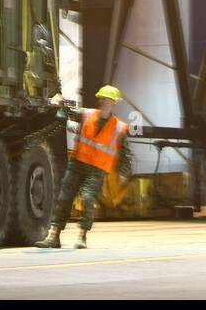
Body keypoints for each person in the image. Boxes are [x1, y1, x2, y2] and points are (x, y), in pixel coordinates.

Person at [35, 85, 133, 250]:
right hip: (77, 165)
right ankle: (53, 236)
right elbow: (68, 112)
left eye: (106, 99)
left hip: (96, 171)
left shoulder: (119, 128)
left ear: (113, 103)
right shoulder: (86, 114)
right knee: (64, 199)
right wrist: (61, 109)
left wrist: (124, 172)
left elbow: (126, 154)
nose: (102, 101)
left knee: (87, 200)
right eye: (100, 98)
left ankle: (82, 236)